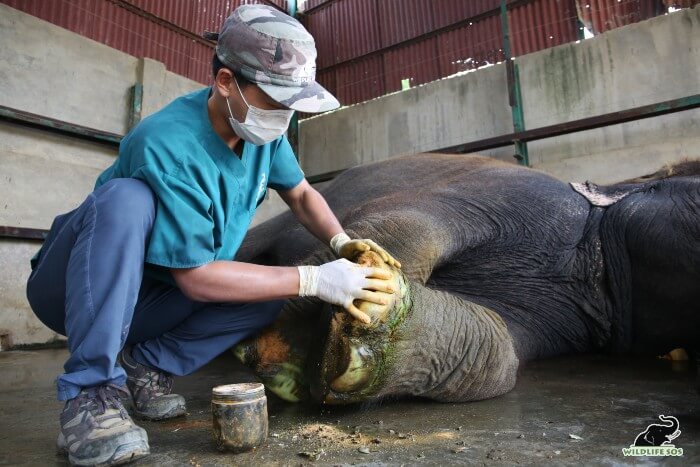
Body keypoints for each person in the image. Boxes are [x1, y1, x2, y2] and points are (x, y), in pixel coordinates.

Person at [25, 5, 400, 466]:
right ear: (226, 82)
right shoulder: (165, 142)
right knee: (126, 199)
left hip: (149, 302)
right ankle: (90, 395)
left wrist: (342, 242)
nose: (283, 115)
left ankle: (148, 364)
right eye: (274, 98)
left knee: (266, 294)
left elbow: (301, 195)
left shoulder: (262, 133)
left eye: (290, 103)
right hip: (73, 289)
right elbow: (198, 279)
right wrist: (316, 279)